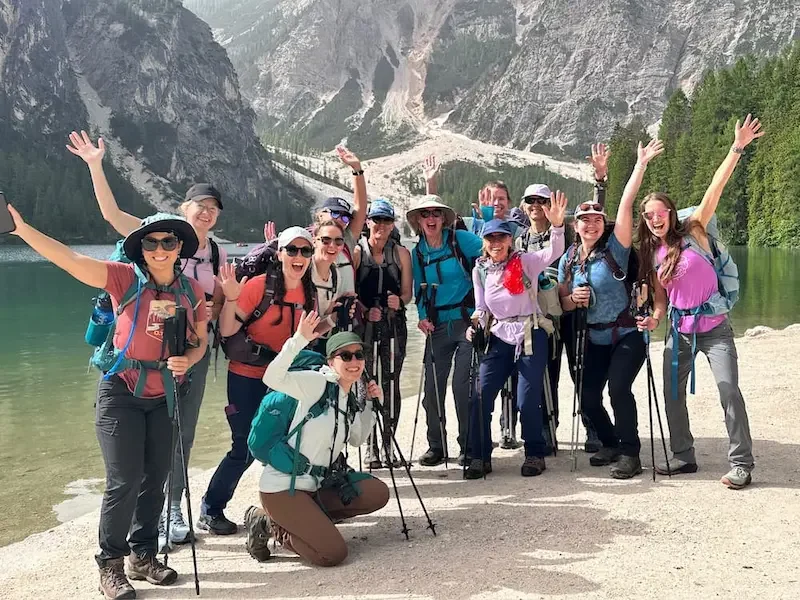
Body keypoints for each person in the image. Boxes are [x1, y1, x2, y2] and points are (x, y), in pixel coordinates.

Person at [6, 206, 208, 598]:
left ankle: (143, 554)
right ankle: (111, 565)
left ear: (180, 246)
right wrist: (22, 229)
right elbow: (70, 259)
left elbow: (198, 340)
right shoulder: (121, 278)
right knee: (124, 479)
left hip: (165, 394)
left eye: (169, 241)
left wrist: (190, 359)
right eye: (151, 242)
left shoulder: (191, 290)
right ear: (141, 248)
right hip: (120, 392)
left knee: (157, 478)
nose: (160, 249)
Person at [67, 131, 225, 546]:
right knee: (150, 445)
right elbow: (110, 213)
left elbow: (217, 304)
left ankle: (171, 509)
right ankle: (154, 522)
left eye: (213, 209)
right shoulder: (154, 235)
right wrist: (95, 165)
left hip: (189, 352)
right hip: (142, 359)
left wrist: (203, 342)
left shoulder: (217, 253)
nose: (206, 213)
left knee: (182, 431)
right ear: (183, 209)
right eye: (199, 206)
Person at [637, 115, 763, 490]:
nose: (656, 219)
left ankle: (741, 462)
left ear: (671, 214)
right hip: (678, 331)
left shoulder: (695, 230)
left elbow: (715, 187)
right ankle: (683, 455)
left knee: (728, 390)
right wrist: (653, 319)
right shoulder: (651, 253)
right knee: (672, 394)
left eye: (661, 213)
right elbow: (661, 301)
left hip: (715, 329)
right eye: (649, 215)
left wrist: (737, 147)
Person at [243, 318, 390, 567]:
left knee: (376, 493)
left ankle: (308, 521)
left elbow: (357, 438)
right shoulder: (316, 384)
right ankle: (269, 524)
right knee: (332, 554)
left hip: (316, 485)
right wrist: (298, 339)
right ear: (332, 362)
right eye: (346, 356)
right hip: (283, 488)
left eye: (358, 355)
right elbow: (272, 377)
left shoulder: (349, 396)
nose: (354, 361)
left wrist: (372, 404)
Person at [557, 139, 664, 479]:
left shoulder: (616, 250)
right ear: (576, 226)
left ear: (603, 225)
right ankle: (610, 442)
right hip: (593, 337)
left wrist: (640, 165)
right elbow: (561, 301)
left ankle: (631, 453)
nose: (591, 224)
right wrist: (572, 300)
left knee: (618, 389)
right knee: (587, 398)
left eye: (596, 220)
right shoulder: (568, 260)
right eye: (584, 220)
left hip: (626, 334)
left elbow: (627, 203)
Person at [198, 227, 315, 534]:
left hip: (282, 379)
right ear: (280, 254)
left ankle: (285, 508)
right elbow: (225, 331)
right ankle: (211, 508)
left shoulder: (310, 291)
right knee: (245, 447)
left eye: (305, 251)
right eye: (292, 250)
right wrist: (234, 299)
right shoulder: (258, 287)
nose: (298, 257)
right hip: (246, 376)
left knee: (287, 441)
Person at [466, 191, 567, 479]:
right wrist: (475, 324)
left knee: (526, 398)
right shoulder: (481, 270)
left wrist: (557, 227)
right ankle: (480, 456)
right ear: (484, 242)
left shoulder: (526, 261)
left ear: (510, 239)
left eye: (501, 238)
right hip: (499, 336)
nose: (496, 243)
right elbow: (481, 308)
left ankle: (534, 453)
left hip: (531, 333)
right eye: (491, 239)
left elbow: (553, 252)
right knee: (481, 396)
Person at [516, 146, 609, 454]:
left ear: (550, 204)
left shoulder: (567, 232)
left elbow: (594, 218)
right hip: (541, 319)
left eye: (542, 201)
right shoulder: (518, 240)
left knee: (580, 370)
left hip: (572, 313)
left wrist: (600, 180)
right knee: (547, 373)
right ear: (524, 205)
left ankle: (592, 427)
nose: (536, 206)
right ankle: (547, 427)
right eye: (531, 201)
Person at [407, 194, 483, 466]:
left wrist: (486, 306)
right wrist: (422, 317)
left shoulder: (460, 240)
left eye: (436, 214)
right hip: (437, 326)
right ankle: (436, 446)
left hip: (466, 323)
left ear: (443, 219)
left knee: (463, 387)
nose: (430, 218)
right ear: (417, 220)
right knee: (432, 389)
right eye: (425, 214)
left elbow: (491, 254)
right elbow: (419, 290)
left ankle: (469, 446)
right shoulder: (418, 253)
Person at [353, 199, 413, 468]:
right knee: (366, 385)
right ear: (367, 223)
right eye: (376, 220)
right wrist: (365, 310)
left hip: (393, 326)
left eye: (386, 221)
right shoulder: (357, 253)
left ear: (392, 225)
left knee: (390, 383)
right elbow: (350, 291)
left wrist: (398, 302)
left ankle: (388, 444)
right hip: (365, 328)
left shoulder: (401, 254)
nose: (381, 225)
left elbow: (408, 294)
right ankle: (370, 447)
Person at [309, 219, 358, 351]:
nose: (332, 245)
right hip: (293, 347)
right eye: (326, 240)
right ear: (314, 241)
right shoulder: (304, 270)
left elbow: (320, 324)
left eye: (338, 241)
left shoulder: (335, 274)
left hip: (317, 344)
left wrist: (339, 312)